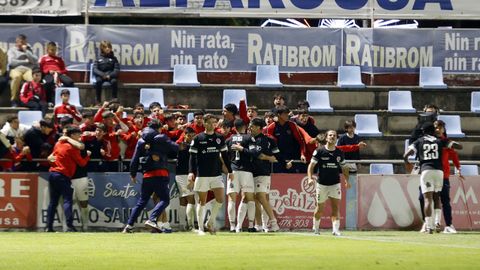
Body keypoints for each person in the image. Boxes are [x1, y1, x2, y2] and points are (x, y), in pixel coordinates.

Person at [404, 122, 462, 234]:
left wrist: (407, 163)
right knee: (436, 198)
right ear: (433, 130)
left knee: (427, 199)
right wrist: (451, 142)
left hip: (426, 170)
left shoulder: (419, 141)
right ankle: (436, 223)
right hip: (439, 172)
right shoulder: (441, 141)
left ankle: (430, 225)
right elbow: (459, 147)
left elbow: (406, 155)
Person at [123, 119, 179, 233]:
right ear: (158, 128)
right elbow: (175, 147)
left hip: (147, 174)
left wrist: (133, 173)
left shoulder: (140, 141)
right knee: (164, 199)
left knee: (142, 201)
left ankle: (129, 226)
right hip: (160, 173)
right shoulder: (161, 138)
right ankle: (152, 219)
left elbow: (134, 159)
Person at [188, 114, 233, 235]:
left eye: (214, 122)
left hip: (216, 174)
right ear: (205, 123)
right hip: (202, 175)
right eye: (210, 122)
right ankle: (201, 229)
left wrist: (230, 171)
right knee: (202, 202)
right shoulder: (198, 138)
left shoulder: (219, 137)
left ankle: (210, 222)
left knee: (220, 199)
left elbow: (225, 156)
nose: (213, 124)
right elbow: (192, 157)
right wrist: (191, 172)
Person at [238, 118, 286, 232]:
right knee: (253, 198)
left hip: (262, 172)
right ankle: (258, 225)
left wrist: (278, 161)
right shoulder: (249, 139)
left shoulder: (264, 140)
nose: (249, 128)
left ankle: (274, 223)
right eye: (249, 125)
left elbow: (258, 154)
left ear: (259, 128)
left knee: (261, 196)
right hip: (250, 173)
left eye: (252, 126)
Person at [45, 126, 91, 232]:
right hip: (62, 175)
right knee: (67, 200)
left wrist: (48, 158)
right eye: (78, 134)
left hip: (52, 173)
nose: (80, 136)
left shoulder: (58, 143)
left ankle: (49, 227)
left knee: (53, 202)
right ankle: (70, 226)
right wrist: (88, 156)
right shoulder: (72, 148)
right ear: (72, 135)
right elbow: (82, 163)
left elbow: (52, 156)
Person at [307, 130, 350, 236]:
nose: (332, 137)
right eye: (330, 135)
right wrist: (309, 178)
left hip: (335, 184)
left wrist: (346, 180)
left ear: (337, 139)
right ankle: (316, 229)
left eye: (334, 136)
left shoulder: (339, 153)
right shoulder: (319, 151)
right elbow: (311, 166)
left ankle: (335, 230)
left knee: (335, 208)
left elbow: (344, 168)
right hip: (321, 184)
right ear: (326, 138)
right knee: (319, 208)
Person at [432, 120, 463, 233]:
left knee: (445, 200)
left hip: (444, 175)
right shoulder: (430, 141)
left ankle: (449, 225)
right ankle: (431, 223)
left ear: (444, 129)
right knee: (428, 199)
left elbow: (454, 156)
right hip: (431, 174)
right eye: (436, 127)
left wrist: (458, 169)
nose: (438, 129)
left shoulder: (447, 142)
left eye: (440, 127)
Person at [225, 119, 255, 232]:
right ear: (245, 126)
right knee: (249, 197)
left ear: (234, 127)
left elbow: (223, 156)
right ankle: (248, 226)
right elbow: (253, 153)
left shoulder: (229, 139)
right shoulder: (249, 138)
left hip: (233, 171)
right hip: (246, 171)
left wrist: (228, 170)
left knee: (231, 199)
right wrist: (243, 149)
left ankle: (232, 226)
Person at [175, 127, 196, 231]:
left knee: (183, 200)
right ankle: (191, 226)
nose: (191, 138)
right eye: (189, 135)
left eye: (193, 136)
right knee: (190, 199)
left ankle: (182, 225)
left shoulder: (187, 145)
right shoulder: (181, 145)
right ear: (185, 135)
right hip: (183, 175)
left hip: (183, 174)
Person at [7, 34, 38, 107]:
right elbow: (12, 62)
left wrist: (26, 51)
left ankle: (29, 99)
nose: (23, 44)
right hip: (16, 69)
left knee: (32, 79)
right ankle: (14, 100)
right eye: (21, 42)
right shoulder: (12, 50)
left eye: (24, 42)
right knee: (16, 77)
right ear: (17, 42)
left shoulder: (29, 50)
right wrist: (26, 61)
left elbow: (35, 61)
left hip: (28, 70)